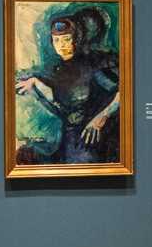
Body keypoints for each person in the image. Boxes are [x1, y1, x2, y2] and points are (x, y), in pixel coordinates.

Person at [15, 9, 120, 165]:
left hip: (92, 140)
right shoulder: (59, 70)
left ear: (76, 39)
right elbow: (61, 104)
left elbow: (125, 92)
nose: (61, 46)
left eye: (66, 39)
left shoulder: (93, 64)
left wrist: (101, 118)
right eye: (56, 40)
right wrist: (35, 83)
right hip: (69, 139)